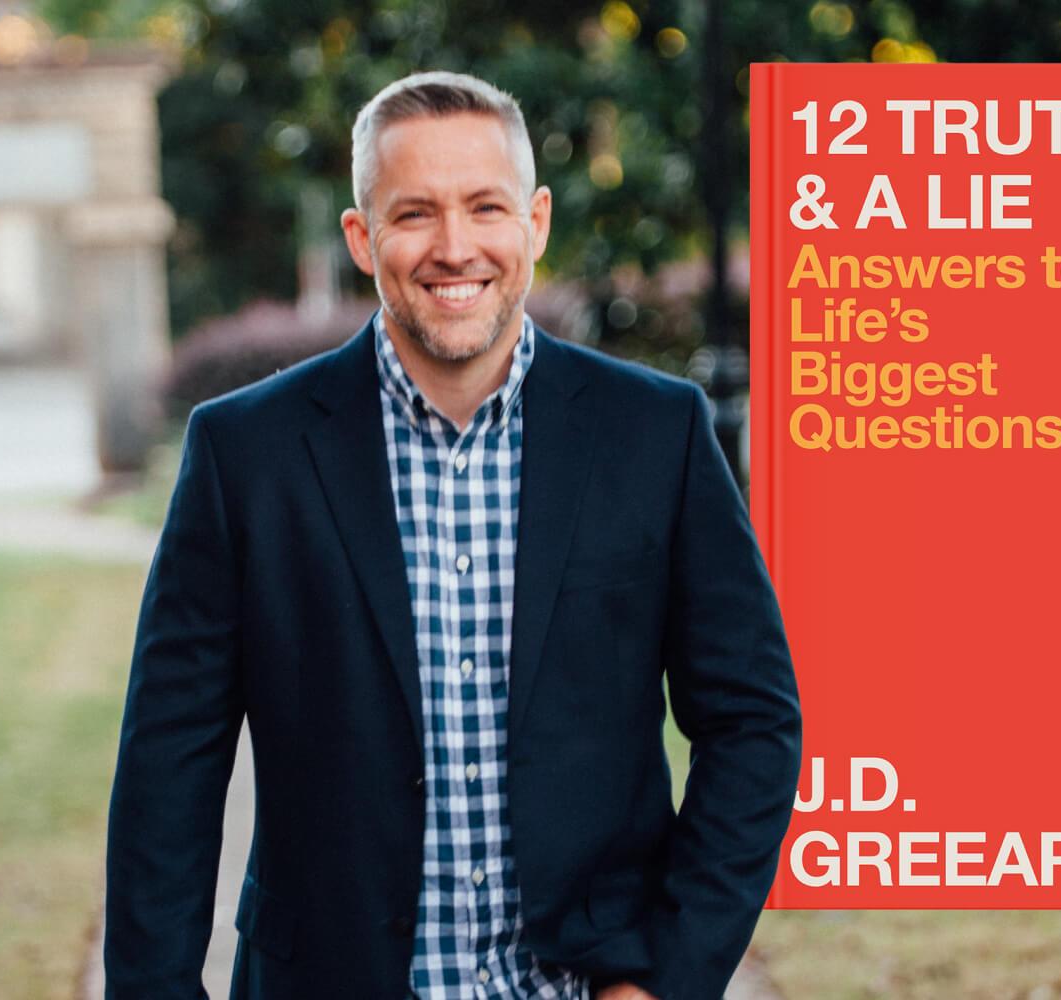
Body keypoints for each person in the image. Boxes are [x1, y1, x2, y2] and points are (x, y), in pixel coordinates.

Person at [103, 71, 802, 1000]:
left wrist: (667, 977)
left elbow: (753, 721)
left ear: (536, 222)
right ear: (362, 237)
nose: (455, 247)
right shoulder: (246, 456)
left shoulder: (654, 435)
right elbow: (168, 766)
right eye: (414, 214)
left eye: (485, 207)